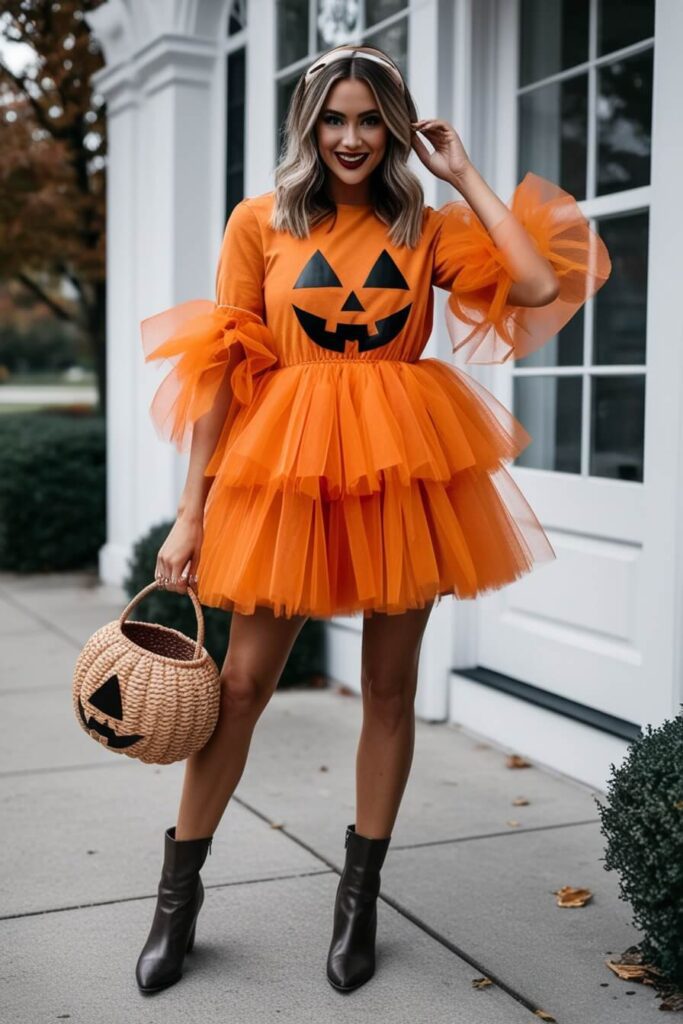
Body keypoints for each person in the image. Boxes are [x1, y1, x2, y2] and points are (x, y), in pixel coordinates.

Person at [134, 44, 611, 996]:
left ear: (394, 127)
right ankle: (176, 901)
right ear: (308, 127)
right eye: (334, 119)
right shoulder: (259, 223)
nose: (351, 138)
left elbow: (532, 287)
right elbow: (224, 370)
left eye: (369, 120)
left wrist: (463, 173)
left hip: (403, 471)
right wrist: (191, 512)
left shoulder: (423, 224)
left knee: (389, 692)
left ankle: (358, 903)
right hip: (285, 472)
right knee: (239, 686)